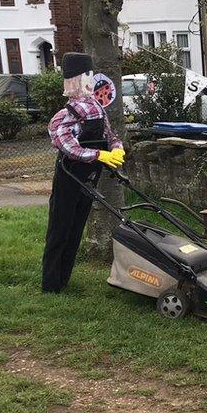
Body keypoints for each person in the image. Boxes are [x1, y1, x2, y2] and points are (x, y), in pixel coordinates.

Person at [41, 52, 125, 293]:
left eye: (91, 74)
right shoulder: (67, 114)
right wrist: (99, 155)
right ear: (75, 79)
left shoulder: (97, 108)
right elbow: (66, 145)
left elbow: (109, 134)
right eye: (86, 75)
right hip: (69, 175)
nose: (91, 79)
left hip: (90, 176)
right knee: (60, 228)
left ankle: (64, 279)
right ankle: (51, 284)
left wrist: (116, 150)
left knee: (77, 227)